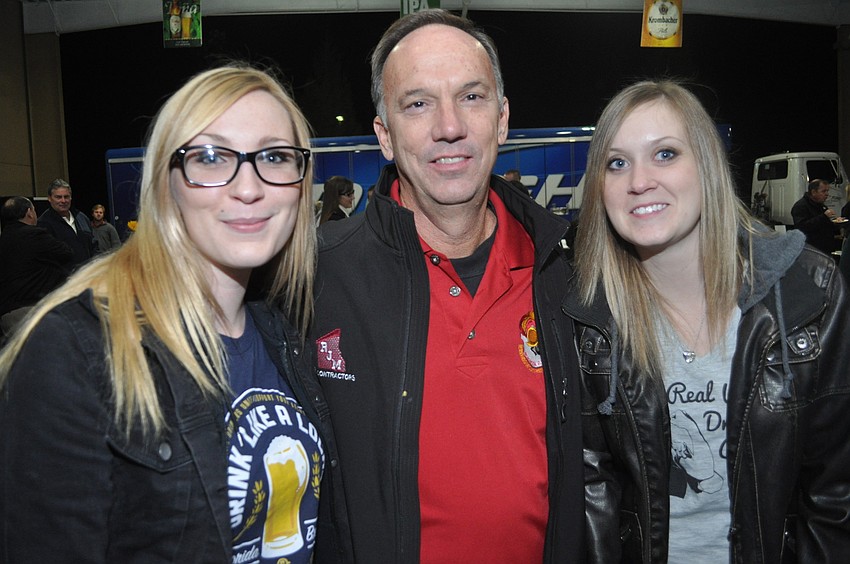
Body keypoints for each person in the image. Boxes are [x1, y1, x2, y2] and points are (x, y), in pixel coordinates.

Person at [0, 63, 347, 563]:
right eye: (211, 157)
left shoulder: (285, 330)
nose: (248, 187)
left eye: (274, 156)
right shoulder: (77, 349)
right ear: (168, 182)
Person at [311, 9, 583, 564]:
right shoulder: (317, 277)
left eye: (471, 97)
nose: (449, 126)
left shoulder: (565, 273)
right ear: (385, 136)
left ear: (502, 120)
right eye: (417, 104)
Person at [563, 79, 850, 562]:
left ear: (707, 164)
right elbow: (594, 493)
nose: (639, 181)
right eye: (617, 163)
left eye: (665, 154)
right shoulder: (588, 315)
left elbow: (835, 494)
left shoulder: (809, 293)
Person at [0, 196, 73, 335]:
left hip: (7, 315)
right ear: (29, 212)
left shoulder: (3, 238)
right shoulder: (34, 235)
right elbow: (66, 253)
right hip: (30, 311)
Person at [37, 178, 97, 269]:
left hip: (88, 274)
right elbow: (46, 258)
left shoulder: (82, 218)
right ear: (49, 198)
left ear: (71, 197)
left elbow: (94, 245)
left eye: (66, 197)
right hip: (63, 276)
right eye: (58, 197)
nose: (63, 201)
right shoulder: (44, 223)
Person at [791, 178, 841, 254]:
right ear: (813, 192)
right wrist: (824, 217)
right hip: (811, 248)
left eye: (827, 191)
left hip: (825, 248)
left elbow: (825, 224)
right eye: (823, 191)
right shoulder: (801, 206)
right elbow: (802, 227)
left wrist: (836, 223)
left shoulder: (821, 206)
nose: (827, 194)